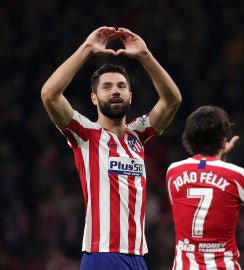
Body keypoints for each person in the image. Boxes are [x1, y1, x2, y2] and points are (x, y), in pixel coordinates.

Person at [40, 26, 182, 270]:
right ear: (94, 98)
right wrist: (86, 49)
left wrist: (145, 56)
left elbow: (172, 100)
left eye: (121, 86)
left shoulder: (138, 135)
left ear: (130, 96)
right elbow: (50, 94)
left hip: (137, 256)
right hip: (102, 254)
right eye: (106, 87)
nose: (115, 91)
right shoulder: (85, 134)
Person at [165, 105, 244, 269]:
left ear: (189, 138)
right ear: (224, 138)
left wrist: (219, 157)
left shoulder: (173, 172)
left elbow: (208, 181)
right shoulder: (235, 175)